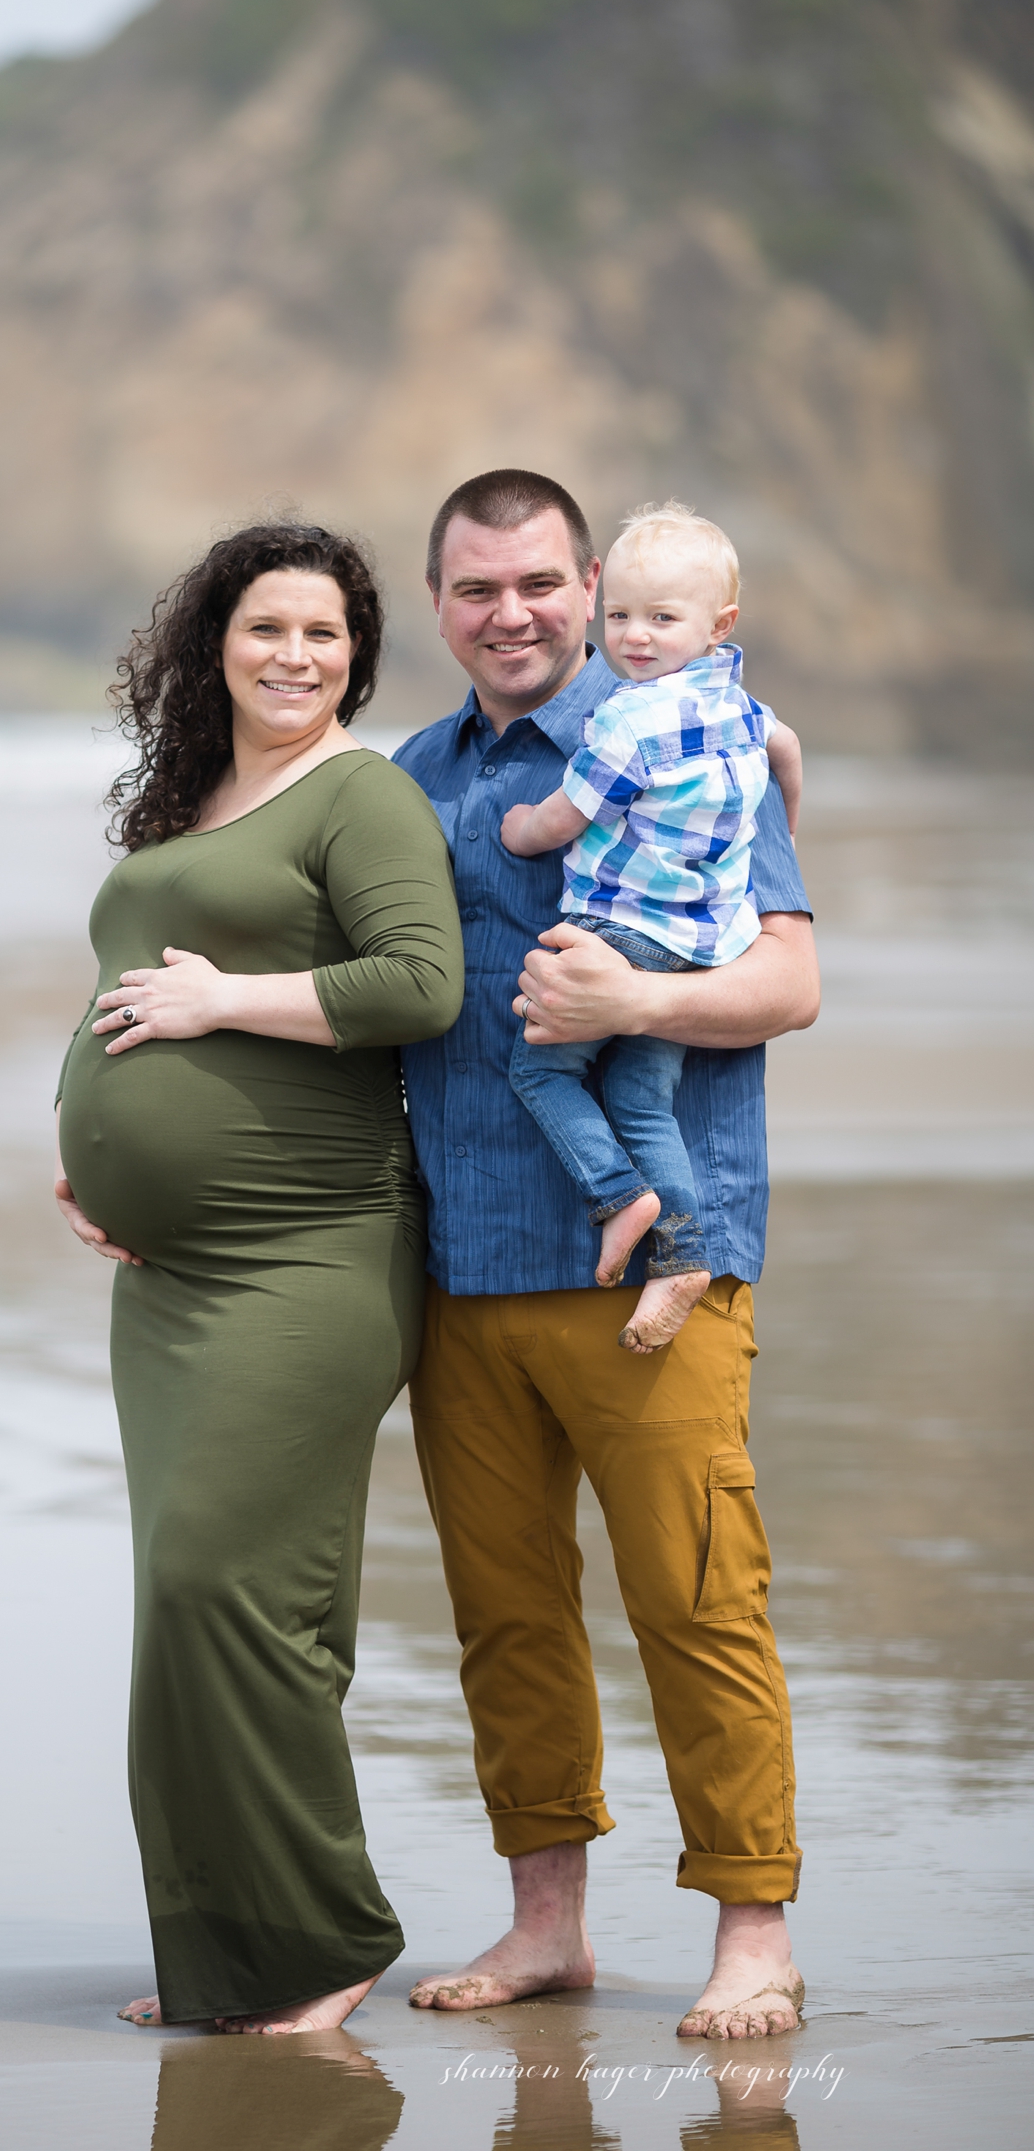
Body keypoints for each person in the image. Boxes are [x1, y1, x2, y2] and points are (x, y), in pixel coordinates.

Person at [392, 469, 818, 2042]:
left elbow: (789, 982)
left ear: (590, 593)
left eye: (538, 585)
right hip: (464, 1266)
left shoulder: (697, 736)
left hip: (658, 1267)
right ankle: (546, 1927)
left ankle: (754, 1934)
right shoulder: (410, 778)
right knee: (505, 1618)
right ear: (440, 604)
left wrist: (634, 1004)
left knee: (697, 1599)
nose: (510, 614)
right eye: (476, 588)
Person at [52, 522, 463, 2034]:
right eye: (266, 628)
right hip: (167, 1278)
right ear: (212, 645)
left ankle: (323, 1941)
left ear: (359, 657)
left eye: (325, 633)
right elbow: (125, 993)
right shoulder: (190, 802)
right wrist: (86, 1148)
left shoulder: (363, 795)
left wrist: (226, 1000)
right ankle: (221, 1955)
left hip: (310, 1251)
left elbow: (421, 983)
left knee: (237, 1590)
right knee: (178, 1601)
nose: (296, 655)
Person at [500, 500, 804, 1354]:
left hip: (621, 932)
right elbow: (788, 751)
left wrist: (518, 830)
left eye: (661, 619)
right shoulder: (743, 709)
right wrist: (786, 818)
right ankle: (681, 1255)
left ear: (718, 625)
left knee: (539, 1072)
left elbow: (565, 816)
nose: (634, 637)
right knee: (641, 1099)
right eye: (621, 616)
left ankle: (618, 1195)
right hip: (697, 950)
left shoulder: (626, 717)